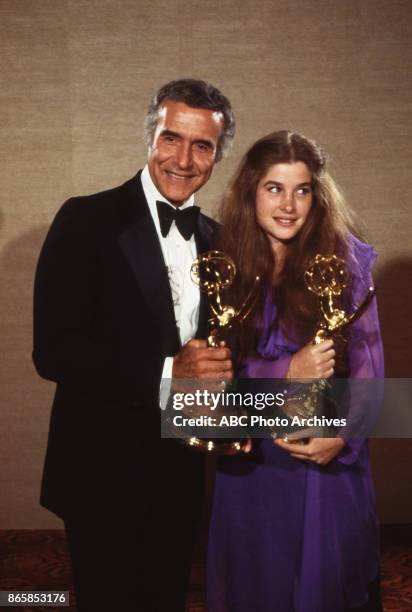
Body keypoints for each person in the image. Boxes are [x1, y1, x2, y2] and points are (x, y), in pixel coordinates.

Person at [33, 78, 235, 612]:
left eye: (202, 145)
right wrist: (170, 372)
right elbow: (53, 350)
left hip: (181, 474)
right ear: (150, 138)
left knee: (166, 599)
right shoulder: (86, 219)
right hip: (100, 472)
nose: (184, 159)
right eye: (171, 138)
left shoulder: (219, 240)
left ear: (217, 155)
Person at [207, 131, 384, 612]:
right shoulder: (223, 264)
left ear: (317, 196)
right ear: (251, 191)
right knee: (256, 587)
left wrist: (343, 439)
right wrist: (288, 367)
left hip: (325, 470)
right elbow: (202, 388)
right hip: (251, 470)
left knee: (323, 590)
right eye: (274, 188)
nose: (288, 204)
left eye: (301, 190)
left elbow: (370, 373)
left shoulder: (346, 263)